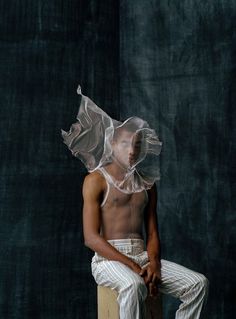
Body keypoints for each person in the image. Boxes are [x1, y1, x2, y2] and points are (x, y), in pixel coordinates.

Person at [61, 86, 209, 319]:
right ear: (112, 144)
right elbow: (90, 238)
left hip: (142, 255)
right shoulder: (96, 180)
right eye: (125, 144)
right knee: (133, 285)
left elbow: (152, 232)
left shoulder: (148, 184)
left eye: (137, 145)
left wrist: (154, 265)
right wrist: (132, 267)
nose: (131, 151)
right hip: (107, 260)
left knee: (198, 284)